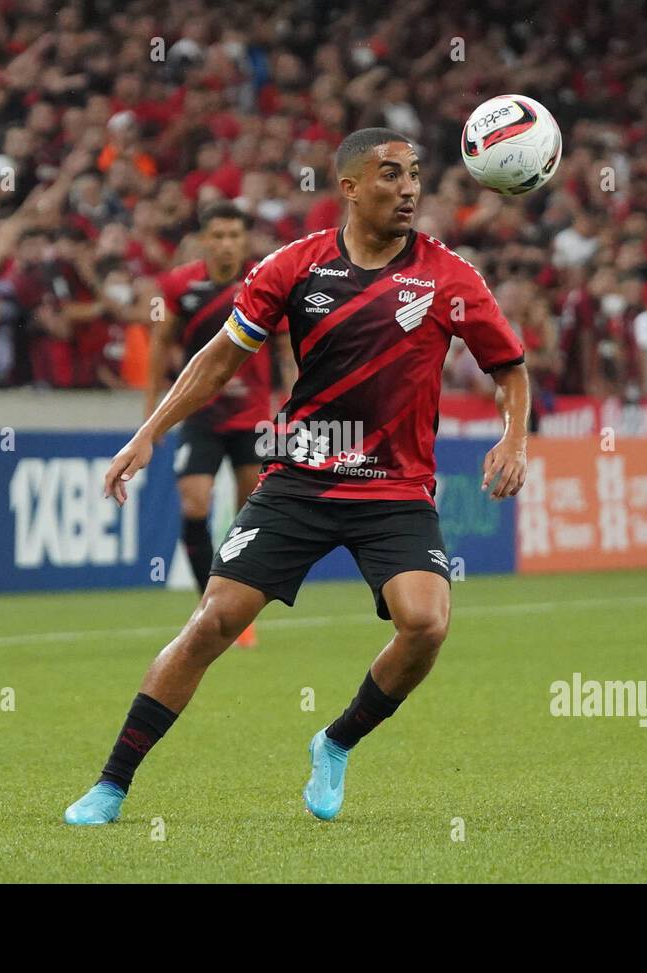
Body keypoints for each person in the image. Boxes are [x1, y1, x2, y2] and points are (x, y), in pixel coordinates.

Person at [64, 128, 530, 826]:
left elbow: (509, 369)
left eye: (414, 176)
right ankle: (110, 784)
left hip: (393, 488)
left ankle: (335, 740)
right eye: (389, 175)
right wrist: (148, 432)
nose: (408, 188)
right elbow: (216, 360)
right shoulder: (294, 267)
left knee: (426, 623)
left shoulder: (449, 277)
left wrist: (513, 435)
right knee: (212, 621)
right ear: (347, 188)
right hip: (302, 479)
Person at [147, 201, 281, 647]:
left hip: (253, 417)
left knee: (247, 515)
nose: (226, 244)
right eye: (218, 236)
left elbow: (287, 349)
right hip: (200, 414)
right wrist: (153, 412)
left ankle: (237, 605)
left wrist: (295, 406)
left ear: (244, 240)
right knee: (194, 505)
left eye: (234, 236)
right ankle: (209, 602)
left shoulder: (263, 282)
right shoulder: (179, 285)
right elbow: (159, 342)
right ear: (204, 240)